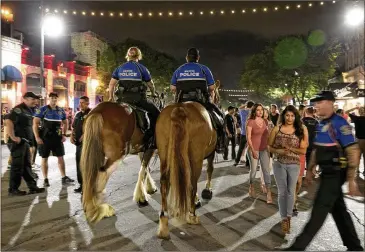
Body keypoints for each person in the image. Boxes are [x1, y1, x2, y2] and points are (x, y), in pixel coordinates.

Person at [284, 91, 363, 251]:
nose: (316, 105)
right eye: (316, 103)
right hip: (326, 173)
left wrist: (352, 179)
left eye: (320, 102)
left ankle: (297, 248)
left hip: (335, 173)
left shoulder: (340, 123)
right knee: (339, 210)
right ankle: (354, 246)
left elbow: (353, 150)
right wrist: (310, 169)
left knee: (319, 211)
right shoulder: (320, 123)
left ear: (330, 103)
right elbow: (315, 150)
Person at [170, 47, 225, 153]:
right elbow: (212, 88)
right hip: (201, 101)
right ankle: (220, 144)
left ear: (187, 58)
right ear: (198, 58)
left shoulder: (179, 69)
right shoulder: (204, 69)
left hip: (181, 101)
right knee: (220, 119)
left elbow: (172, 88)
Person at [108, 46, 160, 148]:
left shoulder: (120, 68)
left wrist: (111, 97)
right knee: (156, 113)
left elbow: (111, 84)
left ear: (127, 56)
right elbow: (150, 84)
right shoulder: (142, 68)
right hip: (138, 100)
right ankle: (150, 138)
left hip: (122, 99)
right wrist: (153, 93)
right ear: (139, 56)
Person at [269, 105, 308, 234]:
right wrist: (278, 150)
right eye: (287, 115)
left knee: (291, 191)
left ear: (295, 116)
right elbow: (269, 147)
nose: (289, 118)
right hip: (278, 163)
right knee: (282, 192)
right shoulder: (277, 129)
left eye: (292, 115)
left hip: (294, 164)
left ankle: (289, 216)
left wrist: (290, 149)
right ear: (283, 115)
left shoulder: (301, 129)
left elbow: (303, 150)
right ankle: (284, 219)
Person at [5, 92, 45, 196]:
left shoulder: (30, 110)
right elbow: (9, 122)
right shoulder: (18, 109)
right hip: (17, 142)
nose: (35, 101)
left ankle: (32, 187)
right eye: (33, 99)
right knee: (17, 166)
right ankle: (13, 189)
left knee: (27, 165)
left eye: (36, 99)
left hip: (25, 142)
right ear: (25, 99)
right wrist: (13, 137)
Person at [33, 92, 74, 187]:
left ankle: (64, 177)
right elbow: (35, 123)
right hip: (45, 137)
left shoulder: (60, 110)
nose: (54, 100)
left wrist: (64, 134)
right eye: (52, 98)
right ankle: (45, 179)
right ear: (49, 99)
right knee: (44, 158)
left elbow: (65, 122)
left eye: (55, 98)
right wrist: (37, 137)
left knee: (61, 157)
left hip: (57, 138)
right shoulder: (43, 110)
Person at [246, 103, 272, 204]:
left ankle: (269, 192)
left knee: (266, 171)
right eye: (258, 110)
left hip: (264, 149)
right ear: (254, 111)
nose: (260, 112)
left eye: (261, 110)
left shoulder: (265, 121)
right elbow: (248, 137)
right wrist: (252, 150)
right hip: (254, 149)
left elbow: (268, 135)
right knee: (253, 170)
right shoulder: (250, 122)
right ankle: (251, 186)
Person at [71, 96, 91, 193]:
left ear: (87, 103)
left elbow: (94, 128)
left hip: (88, 144)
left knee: (86, 165)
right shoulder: (78, 114)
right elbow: (74, 127)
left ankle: (87, 186)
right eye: (80, 102)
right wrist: (71, 136)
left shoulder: (92, 114)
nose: (80, 104)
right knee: (79, 164)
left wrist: (85, 135)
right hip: (78, 144)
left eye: (83, 102)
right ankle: (81, 185)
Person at [234, 101, 254, 166]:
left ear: (247, 105)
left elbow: (239, 108)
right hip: (251, 134)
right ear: (252, 106)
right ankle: (248, 163)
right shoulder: (253, 113)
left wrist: (245, 105)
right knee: (250, 149)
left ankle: (236, 161)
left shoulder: (242, 112)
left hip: (243, 133)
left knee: (241, 148)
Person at [348, 106, 365, 175]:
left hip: (359, 139)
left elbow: (346, 112)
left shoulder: (356, 119)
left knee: (358, 155)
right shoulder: (357, 118)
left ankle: (357, 170)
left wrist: (354, 107)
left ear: (359, 112)